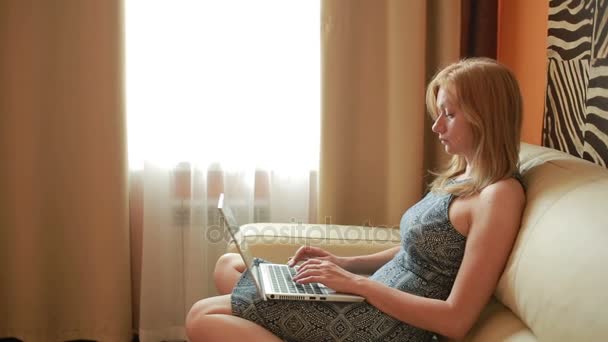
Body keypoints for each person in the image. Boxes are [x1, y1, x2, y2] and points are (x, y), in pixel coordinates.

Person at [185, 57, 526, 342]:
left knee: (202, 317)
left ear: (486, 115)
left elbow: (455, 319)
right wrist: (342, 264)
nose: (437, 127)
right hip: (370, 296)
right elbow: (415, 249)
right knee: (228, 266)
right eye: (438, 114)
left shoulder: (500, 195)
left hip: (388, 324)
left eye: (449, 114)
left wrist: (353, 283)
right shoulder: (461, 176)